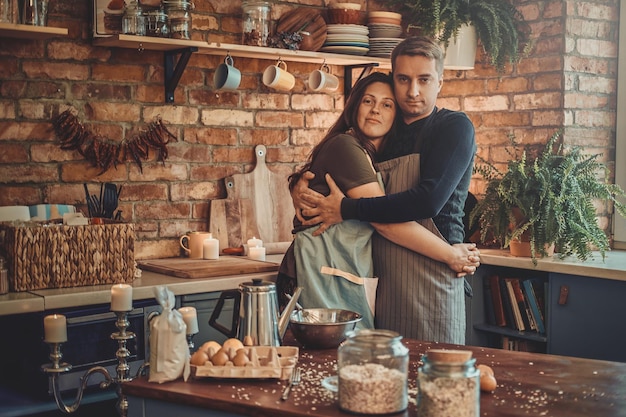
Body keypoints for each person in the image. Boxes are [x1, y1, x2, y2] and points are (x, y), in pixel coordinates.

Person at [292, 37, 477, 344]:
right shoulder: (386, 132)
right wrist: (299, 188)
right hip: (385, 278)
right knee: (385, 380)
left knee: (433, 379)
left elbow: (428, 201)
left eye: (424, 79)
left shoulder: (453, 127)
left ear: (440, 82)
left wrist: (345, 209)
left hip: (434, 275)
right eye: (403, 79)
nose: (413, 91)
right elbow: (343, 170)